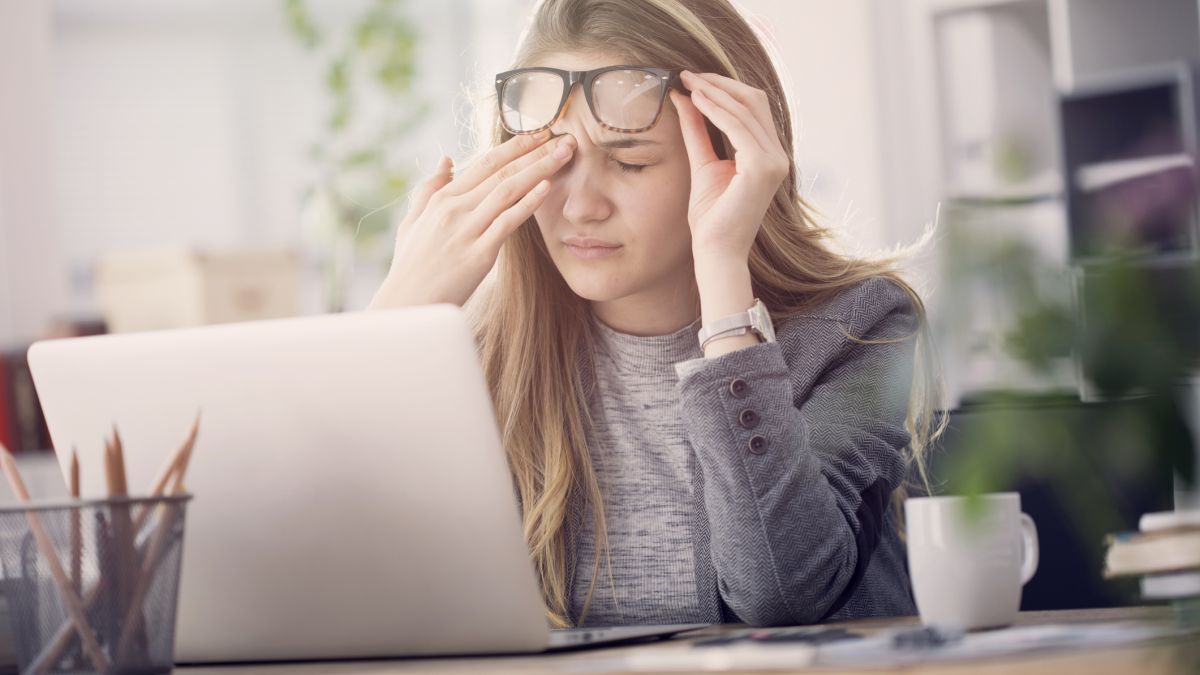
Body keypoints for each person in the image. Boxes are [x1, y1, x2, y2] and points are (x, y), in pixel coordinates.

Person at [369, 0, 945, 628]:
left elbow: (781, 592)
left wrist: (724, 266)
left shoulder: (859, 327)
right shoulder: (479, 347)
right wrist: (395, 320)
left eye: (631, 161)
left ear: (730, 160)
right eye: (554, 160)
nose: (581, 206)